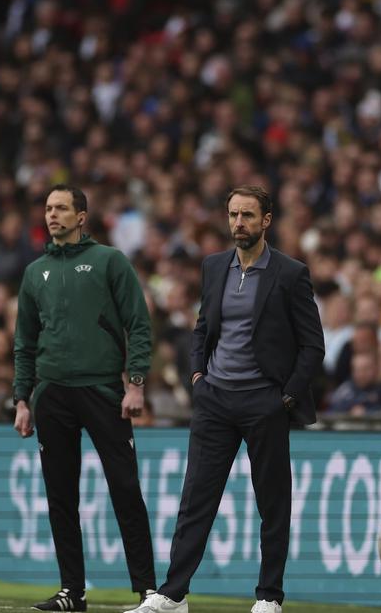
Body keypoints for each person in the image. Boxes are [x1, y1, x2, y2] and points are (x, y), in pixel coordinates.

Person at [130, 186, 323, 613]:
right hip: (215, 399)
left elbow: (313, 346)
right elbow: (203, 328)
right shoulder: (214, 266)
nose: (238, 223)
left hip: (264, 402)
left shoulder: (290, 274)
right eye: (234, 214)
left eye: (248, 216)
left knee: (272, 502)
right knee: (196, 498)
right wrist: (198, 376)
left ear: (266, 221)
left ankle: (269, 596)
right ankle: (174, 594)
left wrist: (285, 398)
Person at [12, 184, 156, 612]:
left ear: (81, 217)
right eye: (48, 208)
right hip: (52, 393)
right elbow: (24, 341)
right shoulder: (34, 272)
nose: (52, 215)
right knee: (60, 497)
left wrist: (136, 383)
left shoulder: (108, 261)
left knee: (125, 489)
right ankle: (72, 592)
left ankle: (149, 591)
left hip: (103, 391)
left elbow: (139, 323)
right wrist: (22, 399)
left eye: (61, 208)